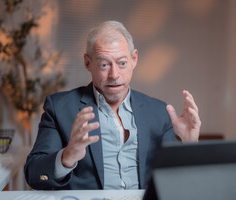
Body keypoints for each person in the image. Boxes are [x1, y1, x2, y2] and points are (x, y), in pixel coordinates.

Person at [24, 20, 201, 190]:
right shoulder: (60, 108)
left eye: (122, 63)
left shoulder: (159, 112)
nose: (114, 75)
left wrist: (189, 146)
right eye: (103, 64)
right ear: (88, 63)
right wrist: (67, 157)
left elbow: (177, 184)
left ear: (134, 59)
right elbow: (33, 175)